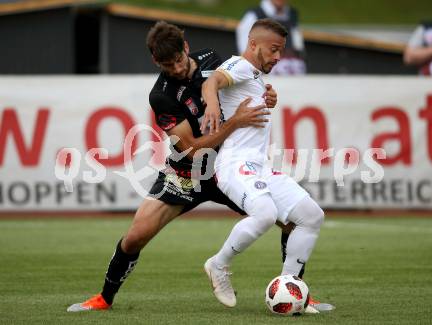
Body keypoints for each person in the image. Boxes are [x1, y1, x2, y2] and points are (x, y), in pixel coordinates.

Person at [66, 21, 276, 312]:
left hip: (230, 165)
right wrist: (235, 123)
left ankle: (299, 290)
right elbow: (191, 150)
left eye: (178, 60)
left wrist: (267, 95)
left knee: (286, 216)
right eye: (167, 65)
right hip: (187, 172)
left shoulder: (212, 60)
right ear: (155, 61)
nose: (176, 69)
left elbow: (246, 85)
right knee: (135, 237)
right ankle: (104, 298)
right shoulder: (161, 95)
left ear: (186, 48)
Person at [201, 18, 333, 312]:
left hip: (258, 167)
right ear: (252, 45)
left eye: (281, 51)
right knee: (265, 213)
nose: (277, 57)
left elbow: (239, 94)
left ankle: (290, 287)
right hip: (234, 165)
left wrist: (267, 97)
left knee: (311, 216)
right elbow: (213, 82)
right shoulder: (240, 65)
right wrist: (211, 103)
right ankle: (218, 264)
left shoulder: (255, 76)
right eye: (273, 50)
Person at [236, 0, 306, 75]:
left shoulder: (292, 15)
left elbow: (298, 47)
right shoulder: (254, 16)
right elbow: (246, 52)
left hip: (293, 71)